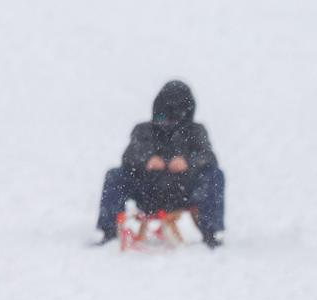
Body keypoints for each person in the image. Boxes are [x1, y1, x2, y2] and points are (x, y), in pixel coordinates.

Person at [94, 80, 225, 248]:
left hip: (182, 192)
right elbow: (129, 155)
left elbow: (208, 156)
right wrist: (147, 160)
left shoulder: (196, 132)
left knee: (214, 175)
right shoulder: (143, 130)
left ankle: (211, 234)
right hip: (147, 191)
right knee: (115, 175)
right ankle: (109, 232)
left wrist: (188, 163)